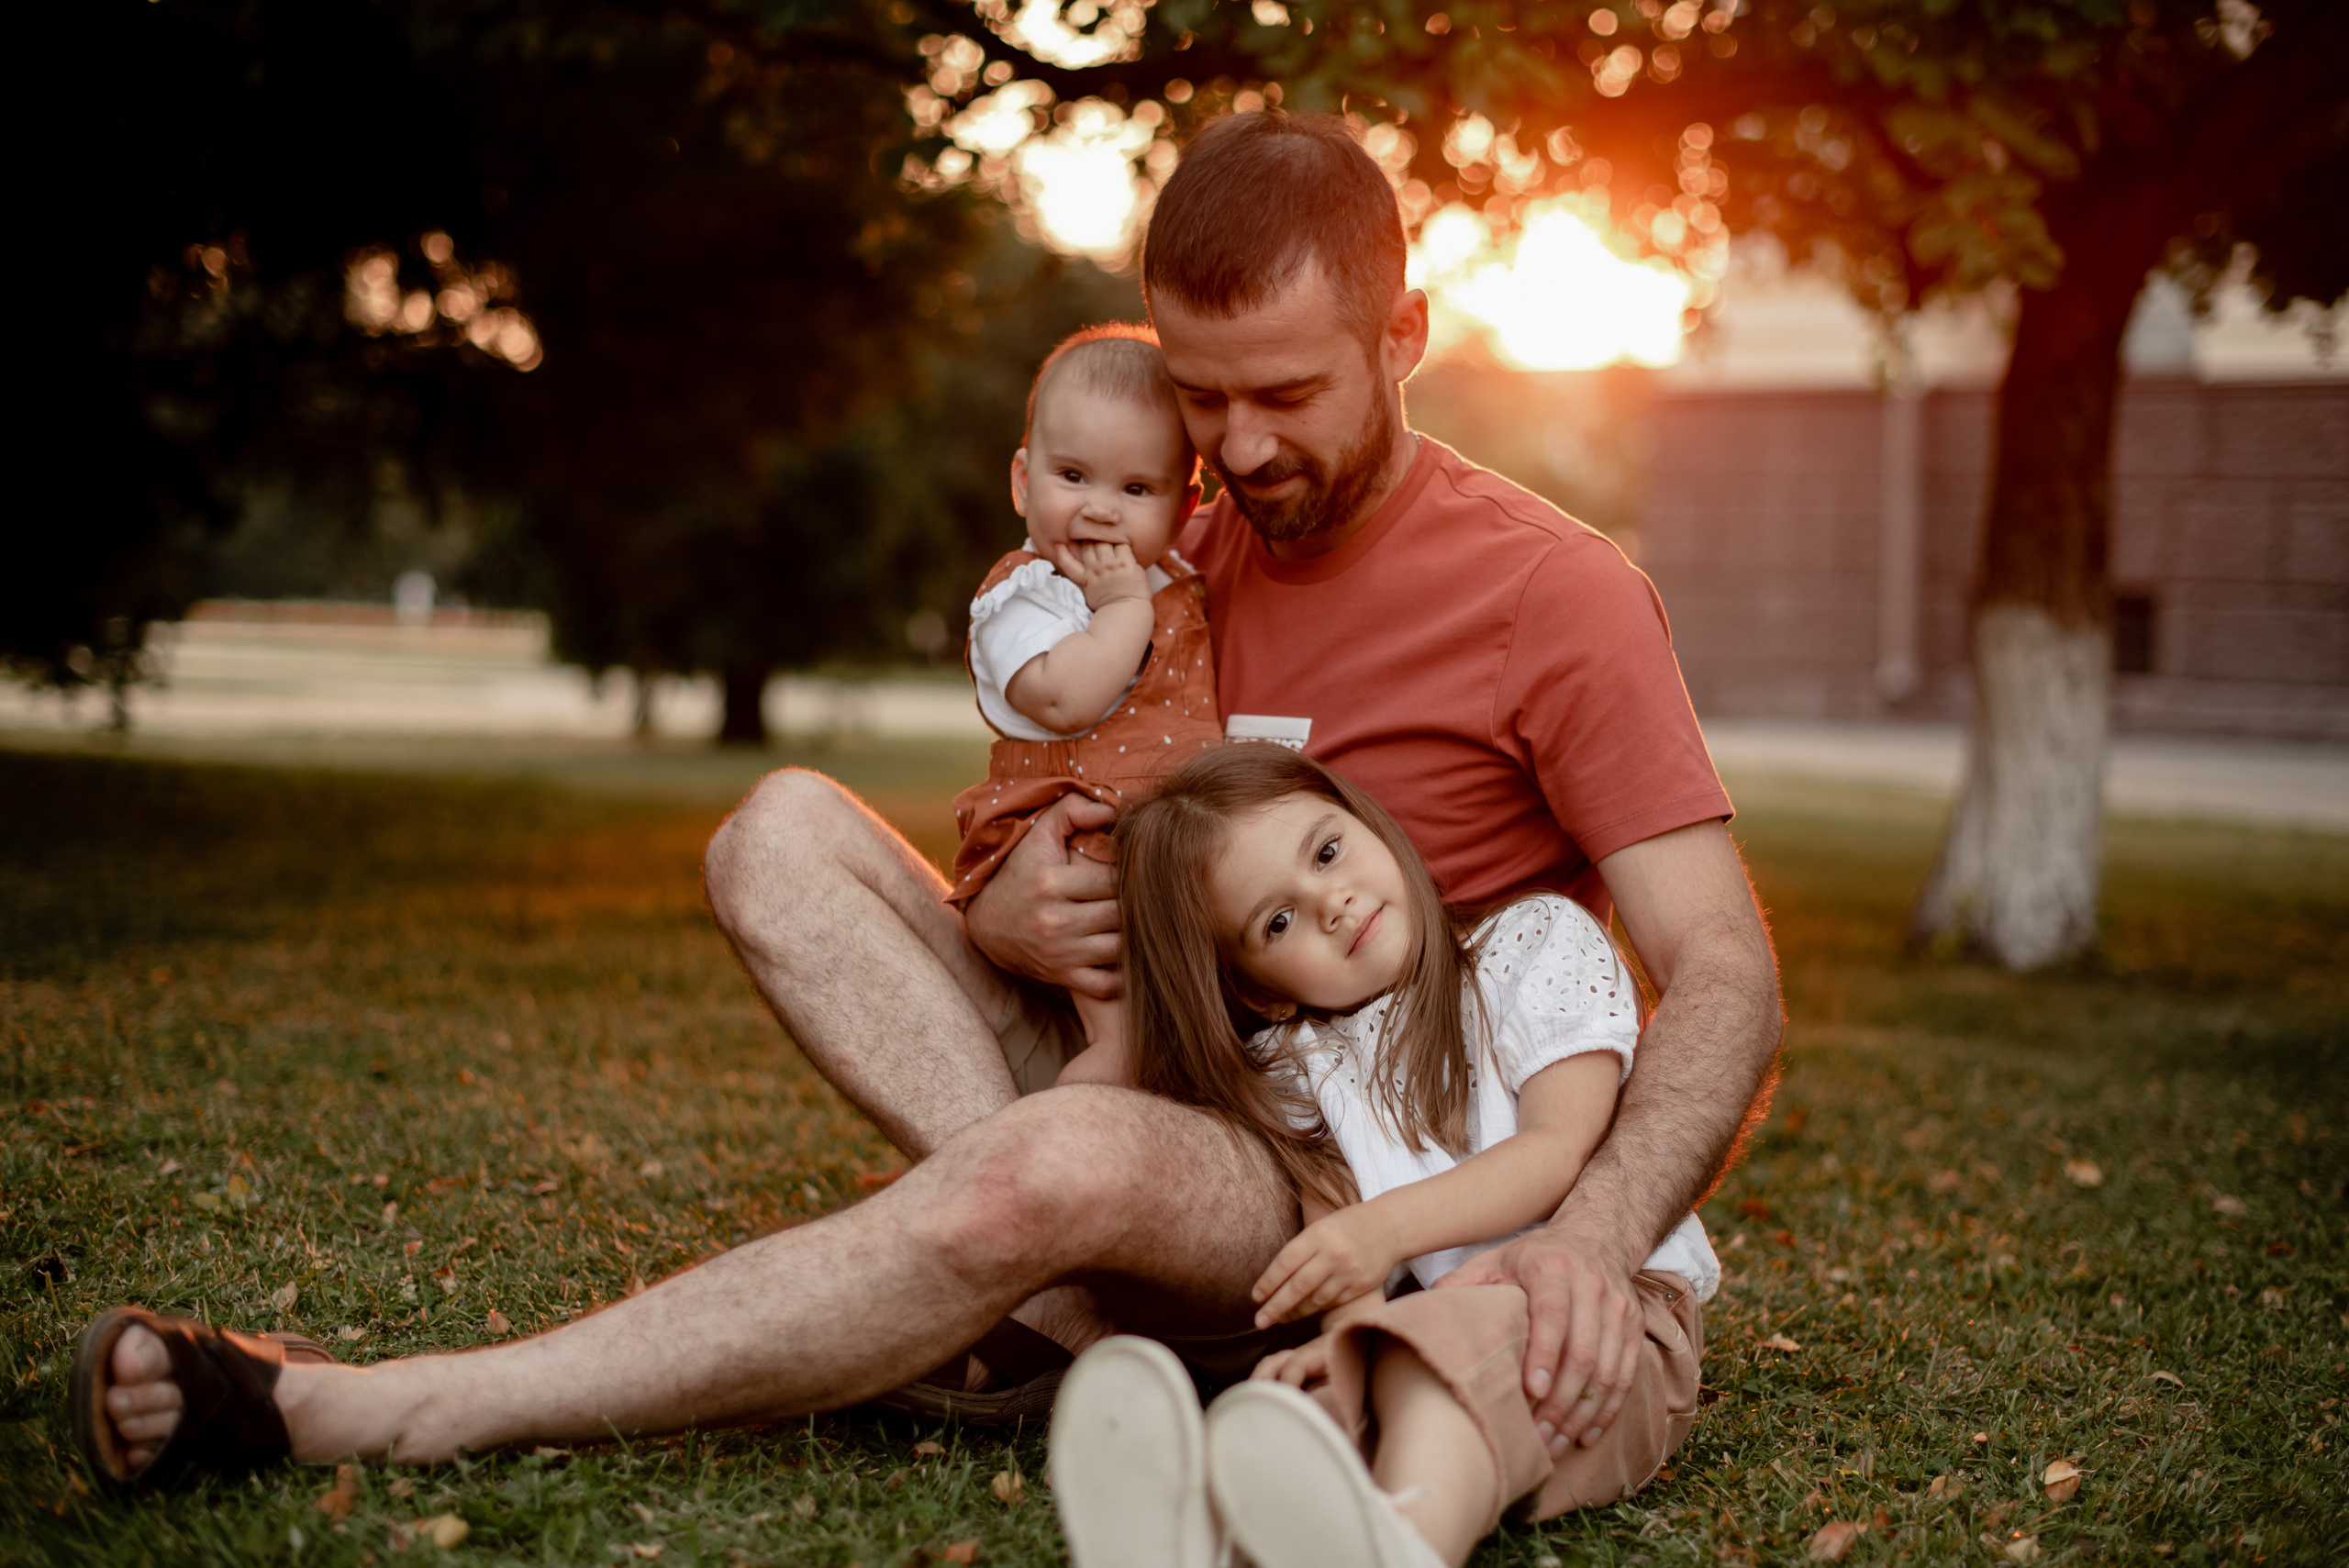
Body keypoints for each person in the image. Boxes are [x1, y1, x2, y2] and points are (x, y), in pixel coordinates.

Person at [68, 110, 1781, 1493]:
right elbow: (1048, 763)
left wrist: (1600, 1231)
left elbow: (1723, 968)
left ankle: (368, 1409)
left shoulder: (1554, 590)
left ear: (1405, 337)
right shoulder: (1160, 533)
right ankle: (1060, 1302)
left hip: (1358, 1155)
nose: (1238, 454)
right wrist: (998, 910)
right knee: (779, 832)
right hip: (1143, 1059)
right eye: (1200, 394)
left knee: (1024, 1178)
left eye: (1290, 393)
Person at [1047, 746, 1710, 1568]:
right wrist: (1347, 1343)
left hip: (1607, 1313)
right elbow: (1345, 1253)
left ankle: (1403, 1545)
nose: (1331, 902)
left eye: (1327, 852)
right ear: (1259, 988)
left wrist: (1382, 1237)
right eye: (1277, 922)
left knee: (1429, 1366)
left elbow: (1557, 1148)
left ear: (1372, 826)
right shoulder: (1299, 1068)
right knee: (1305, 1400)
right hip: (1423, 1323)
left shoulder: (1530, 945)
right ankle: (1202, 1543)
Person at [944, 324, 1218, 1084]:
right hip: (1073, 831)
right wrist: (1123, 606)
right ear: (1022, 481)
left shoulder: (1173, 580)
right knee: (1127, 1042)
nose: (1100, 510)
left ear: (1184, 505)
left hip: (1159, 833)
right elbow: (1064, 697)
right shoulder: (1027, 595)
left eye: (1135, 489)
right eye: (1074, 476)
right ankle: (1062, 1131)